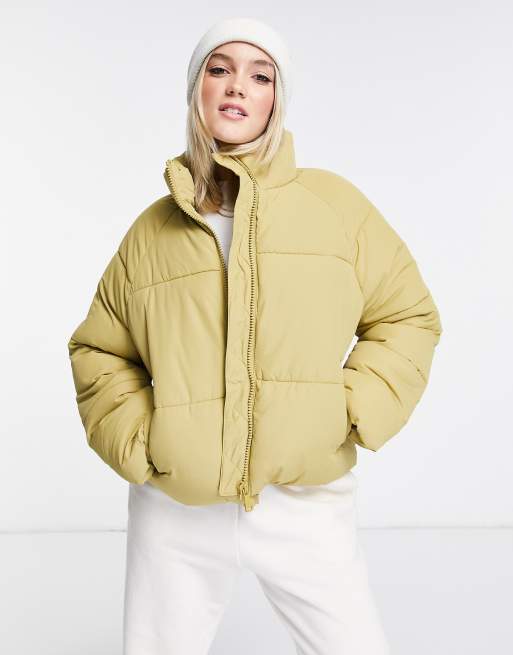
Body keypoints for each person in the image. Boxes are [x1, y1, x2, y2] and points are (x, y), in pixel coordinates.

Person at [67, 17, 443, 655]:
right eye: (219, 69)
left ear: (277, 99)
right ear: (197, 90)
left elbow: (407, 315)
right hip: (176, 510)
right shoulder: (152, 231)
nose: (237, 86)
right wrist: (142, 441)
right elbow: (100, 348)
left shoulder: (335, 208)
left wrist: (346, 412)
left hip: (304, 501)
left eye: (260, 75)